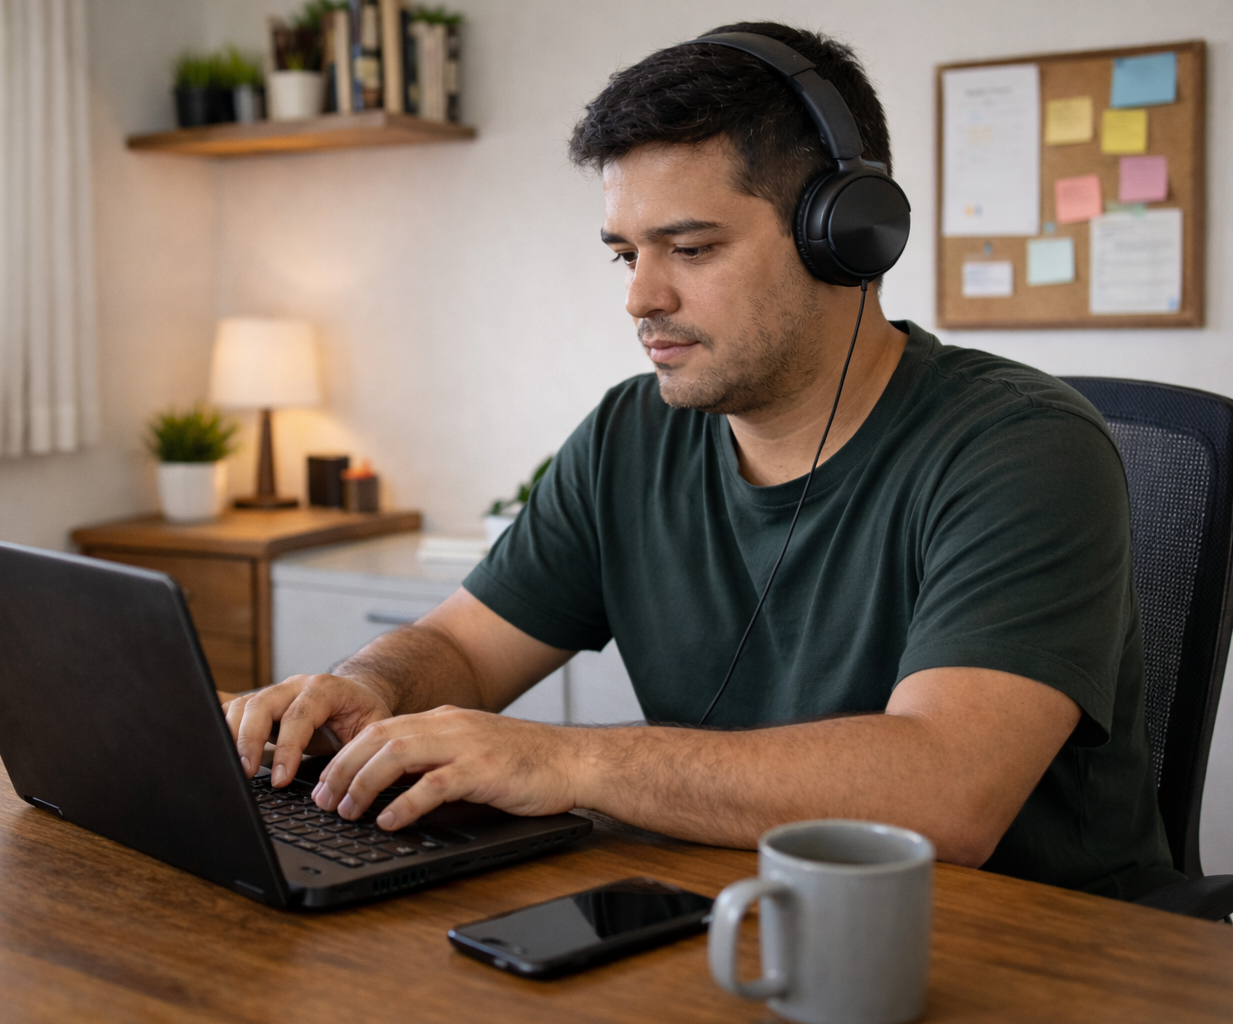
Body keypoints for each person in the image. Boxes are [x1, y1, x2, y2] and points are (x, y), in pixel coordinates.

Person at [224, 22, 1179, 899]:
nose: (640, 296)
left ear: (845, 238)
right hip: (739, 919)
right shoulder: (628, 435)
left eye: (688, 246)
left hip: (1032, 951)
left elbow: (947, 791)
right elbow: (467, 649)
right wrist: (372, 683)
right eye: (624, 254)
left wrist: (569, 761)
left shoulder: (1022, 448)